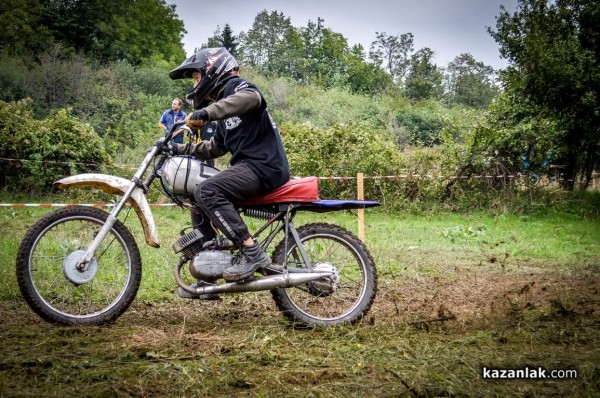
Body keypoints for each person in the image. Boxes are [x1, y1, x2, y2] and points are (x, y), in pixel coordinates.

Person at [167, 47, 290, 284]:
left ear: (211, 70)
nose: (194, 84)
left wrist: (207, 113)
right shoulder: (224, 110)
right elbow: (215, 148)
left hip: (265, 167)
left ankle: (252, 252)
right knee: (197, 195)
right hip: (249, 169)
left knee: (207, 190)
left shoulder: (237, 87)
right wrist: (178, 149)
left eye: (196, 77)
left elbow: (254, 98)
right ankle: (207, 271)